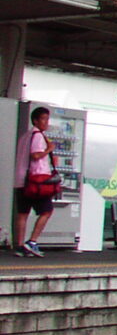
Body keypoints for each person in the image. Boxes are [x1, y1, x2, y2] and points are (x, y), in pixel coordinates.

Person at [13, 106, 55, 258]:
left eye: (47, 119)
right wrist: (49, 149)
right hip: (36, 181)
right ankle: (32, 241)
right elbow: (36, 156)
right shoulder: (38, 136)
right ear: (36, 120)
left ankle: (19, 246)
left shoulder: (25, 136)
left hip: (21, 180)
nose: (46, 122)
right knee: (47, 211)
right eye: (43, 119)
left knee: (22, 214)